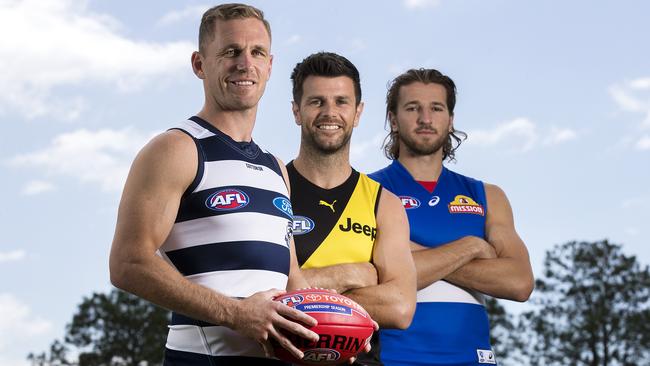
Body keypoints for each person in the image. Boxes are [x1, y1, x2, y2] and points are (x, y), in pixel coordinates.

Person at [108, 4, 320, 365]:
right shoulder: (176, 149)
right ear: (199, 64)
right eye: (230, 51)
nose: (245, 63)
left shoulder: (276, 168)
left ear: (270, 66)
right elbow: (128, 262)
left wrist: (331, 337)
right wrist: (236, 314)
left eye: (257, 52)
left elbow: (291, 278)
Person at [369, 68, 535, 366]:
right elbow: (371, 275)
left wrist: (410, 256)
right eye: (412, 108)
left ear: (450, 119)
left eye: (436, 108)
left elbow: (519, 282)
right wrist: (469, 247)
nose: (425, 118)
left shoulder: (488, 196)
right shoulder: (366, 191)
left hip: (473, 359)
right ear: (393, 120)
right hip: (395, 358)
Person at [287, 52, 417, 366]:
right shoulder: (274, 187)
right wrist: (353, 273)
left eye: (341, 102)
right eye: (316, 101)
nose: (329, 113)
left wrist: (301, 290)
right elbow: (256, 290)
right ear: (296, 111)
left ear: (358, 113)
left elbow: (399, 307)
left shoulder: (383, 202)